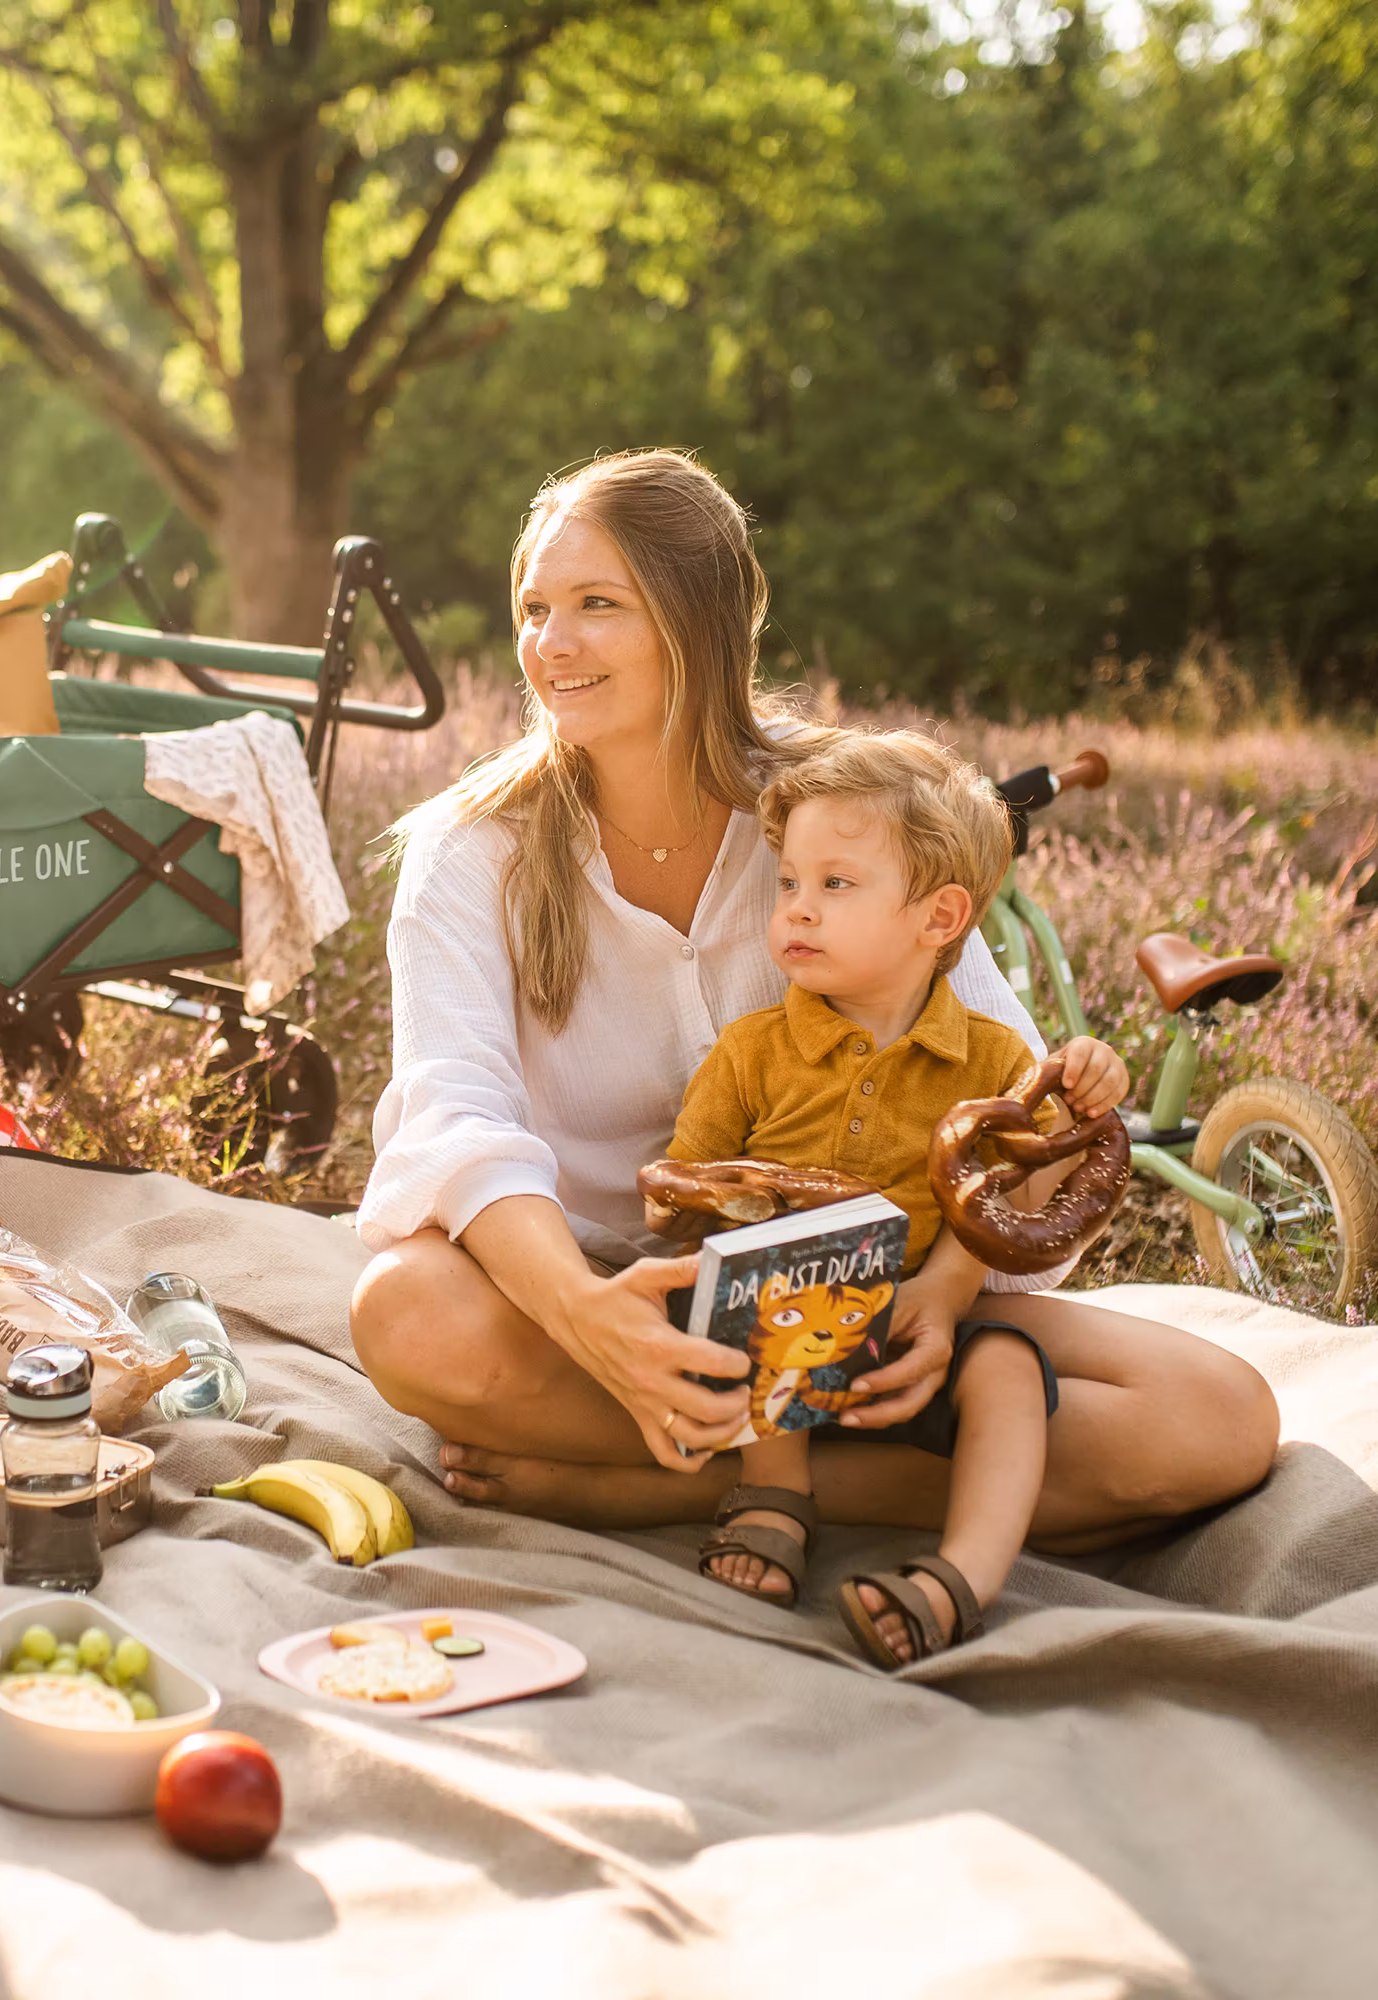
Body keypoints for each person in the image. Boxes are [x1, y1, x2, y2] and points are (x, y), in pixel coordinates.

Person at [349, 448, 1277, 1577]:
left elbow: (1008, 1112)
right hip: (616, 1298)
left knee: (1215, 1416)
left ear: (702, 622)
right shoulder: (467, 849)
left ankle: (660, 1485)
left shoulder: (848, 815)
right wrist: (590, 1318)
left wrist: (945, 1293)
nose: (551, 644)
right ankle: (864, 1478)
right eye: (535, 608)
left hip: (874, 1300)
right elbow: (454, 1113)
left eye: (597, 605)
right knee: (406, 1309)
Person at [666, 730, 1113, 1665]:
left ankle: (959, 1579)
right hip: (780, 1328)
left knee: (1012, 1372)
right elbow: (683, 1191)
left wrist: (1088, 1083)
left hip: (921, 1326)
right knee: (784, 1289)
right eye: (789, 882)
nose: (797, 909)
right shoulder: (754, 1051)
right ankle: (776, 1497)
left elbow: (1015, 1198)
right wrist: (737, 1229)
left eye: (836, 885)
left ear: (940, 917)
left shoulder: (996, 1063)